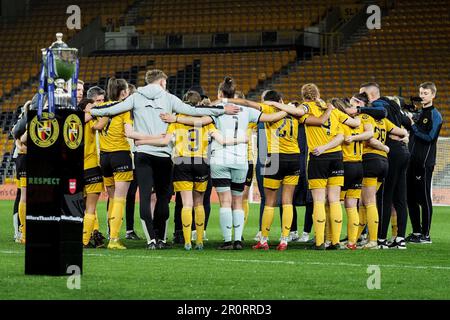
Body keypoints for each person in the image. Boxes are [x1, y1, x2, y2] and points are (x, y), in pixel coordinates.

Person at [89, 70, 240, 250]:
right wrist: (223, 109)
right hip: (163, 154)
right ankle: (161, 238)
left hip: (142, 153)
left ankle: (151, 240)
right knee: (163, 197)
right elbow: (193, 110)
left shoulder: (135, 98)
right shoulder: (169, 98)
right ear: (161, 82)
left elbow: (112, 109)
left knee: (145, 196)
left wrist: (92, 109)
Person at [137, 93, 247, 251]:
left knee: (186, 204)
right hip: (201, 162)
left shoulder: (176, 119)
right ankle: (199, 241)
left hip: (182, 162)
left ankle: (187, 242)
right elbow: (221, 140)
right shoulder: (205, 119)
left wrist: (142, 141)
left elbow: (164, 141)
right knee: (199, 203)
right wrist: (241, 140)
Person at [298, 84, 361, 250]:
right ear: (318, 94)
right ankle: (335, 242)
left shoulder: (306, 110)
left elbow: (302, 116)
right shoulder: (333, 109)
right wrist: (361, 113)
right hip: (337, 157)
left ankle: (319, 242)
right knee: (334, 200)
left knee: (319, 200)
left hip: (319, 158)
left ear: (304, 96)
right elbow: (355, 123)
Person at [358, 83, 411, 250]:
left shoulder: (377, 106)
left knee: (384, 197)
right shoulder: (394, 104)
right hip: (403, 152)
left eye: (363, 95)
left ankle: (380, 238)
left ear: (370, 95)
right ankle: (399, 238)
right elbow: (407, 123)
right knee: (400, 197)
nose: (362, 99)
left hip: (389, 153)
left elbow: (382, 113)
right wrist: (405, 136)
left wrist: (359, 110)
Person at [331, 98, 374, 250]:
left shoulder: (341, 124)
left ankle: (330, 239)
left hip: (345, 165)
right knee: (352, 205)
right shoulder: (359, 123)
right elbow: (370, 135)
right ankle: (352, 242)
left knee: (332, 202)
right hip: (359, 166)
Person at [406, 82, 442, 244]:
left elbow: (429, 138)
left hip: (424, 162)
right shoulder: (418, 113)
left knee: (424, 198)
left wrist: (413, 125)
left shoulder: (435, 115)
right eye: (421, 92)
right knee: (410, 198)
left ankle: (426, 235)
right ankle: (416, 232)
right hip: (410, 161)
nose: (422, 96)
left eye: (426, 93)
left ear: (433, 95)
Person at [79, 98, 106, 248]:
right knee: (90, 208)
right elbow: (101, 124)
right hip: (92, 168)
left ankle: (84, 236)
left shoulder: (71, 124)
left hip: (76, 170)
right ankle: (85, 240)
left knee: (81, 207)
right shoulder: (92, 122)